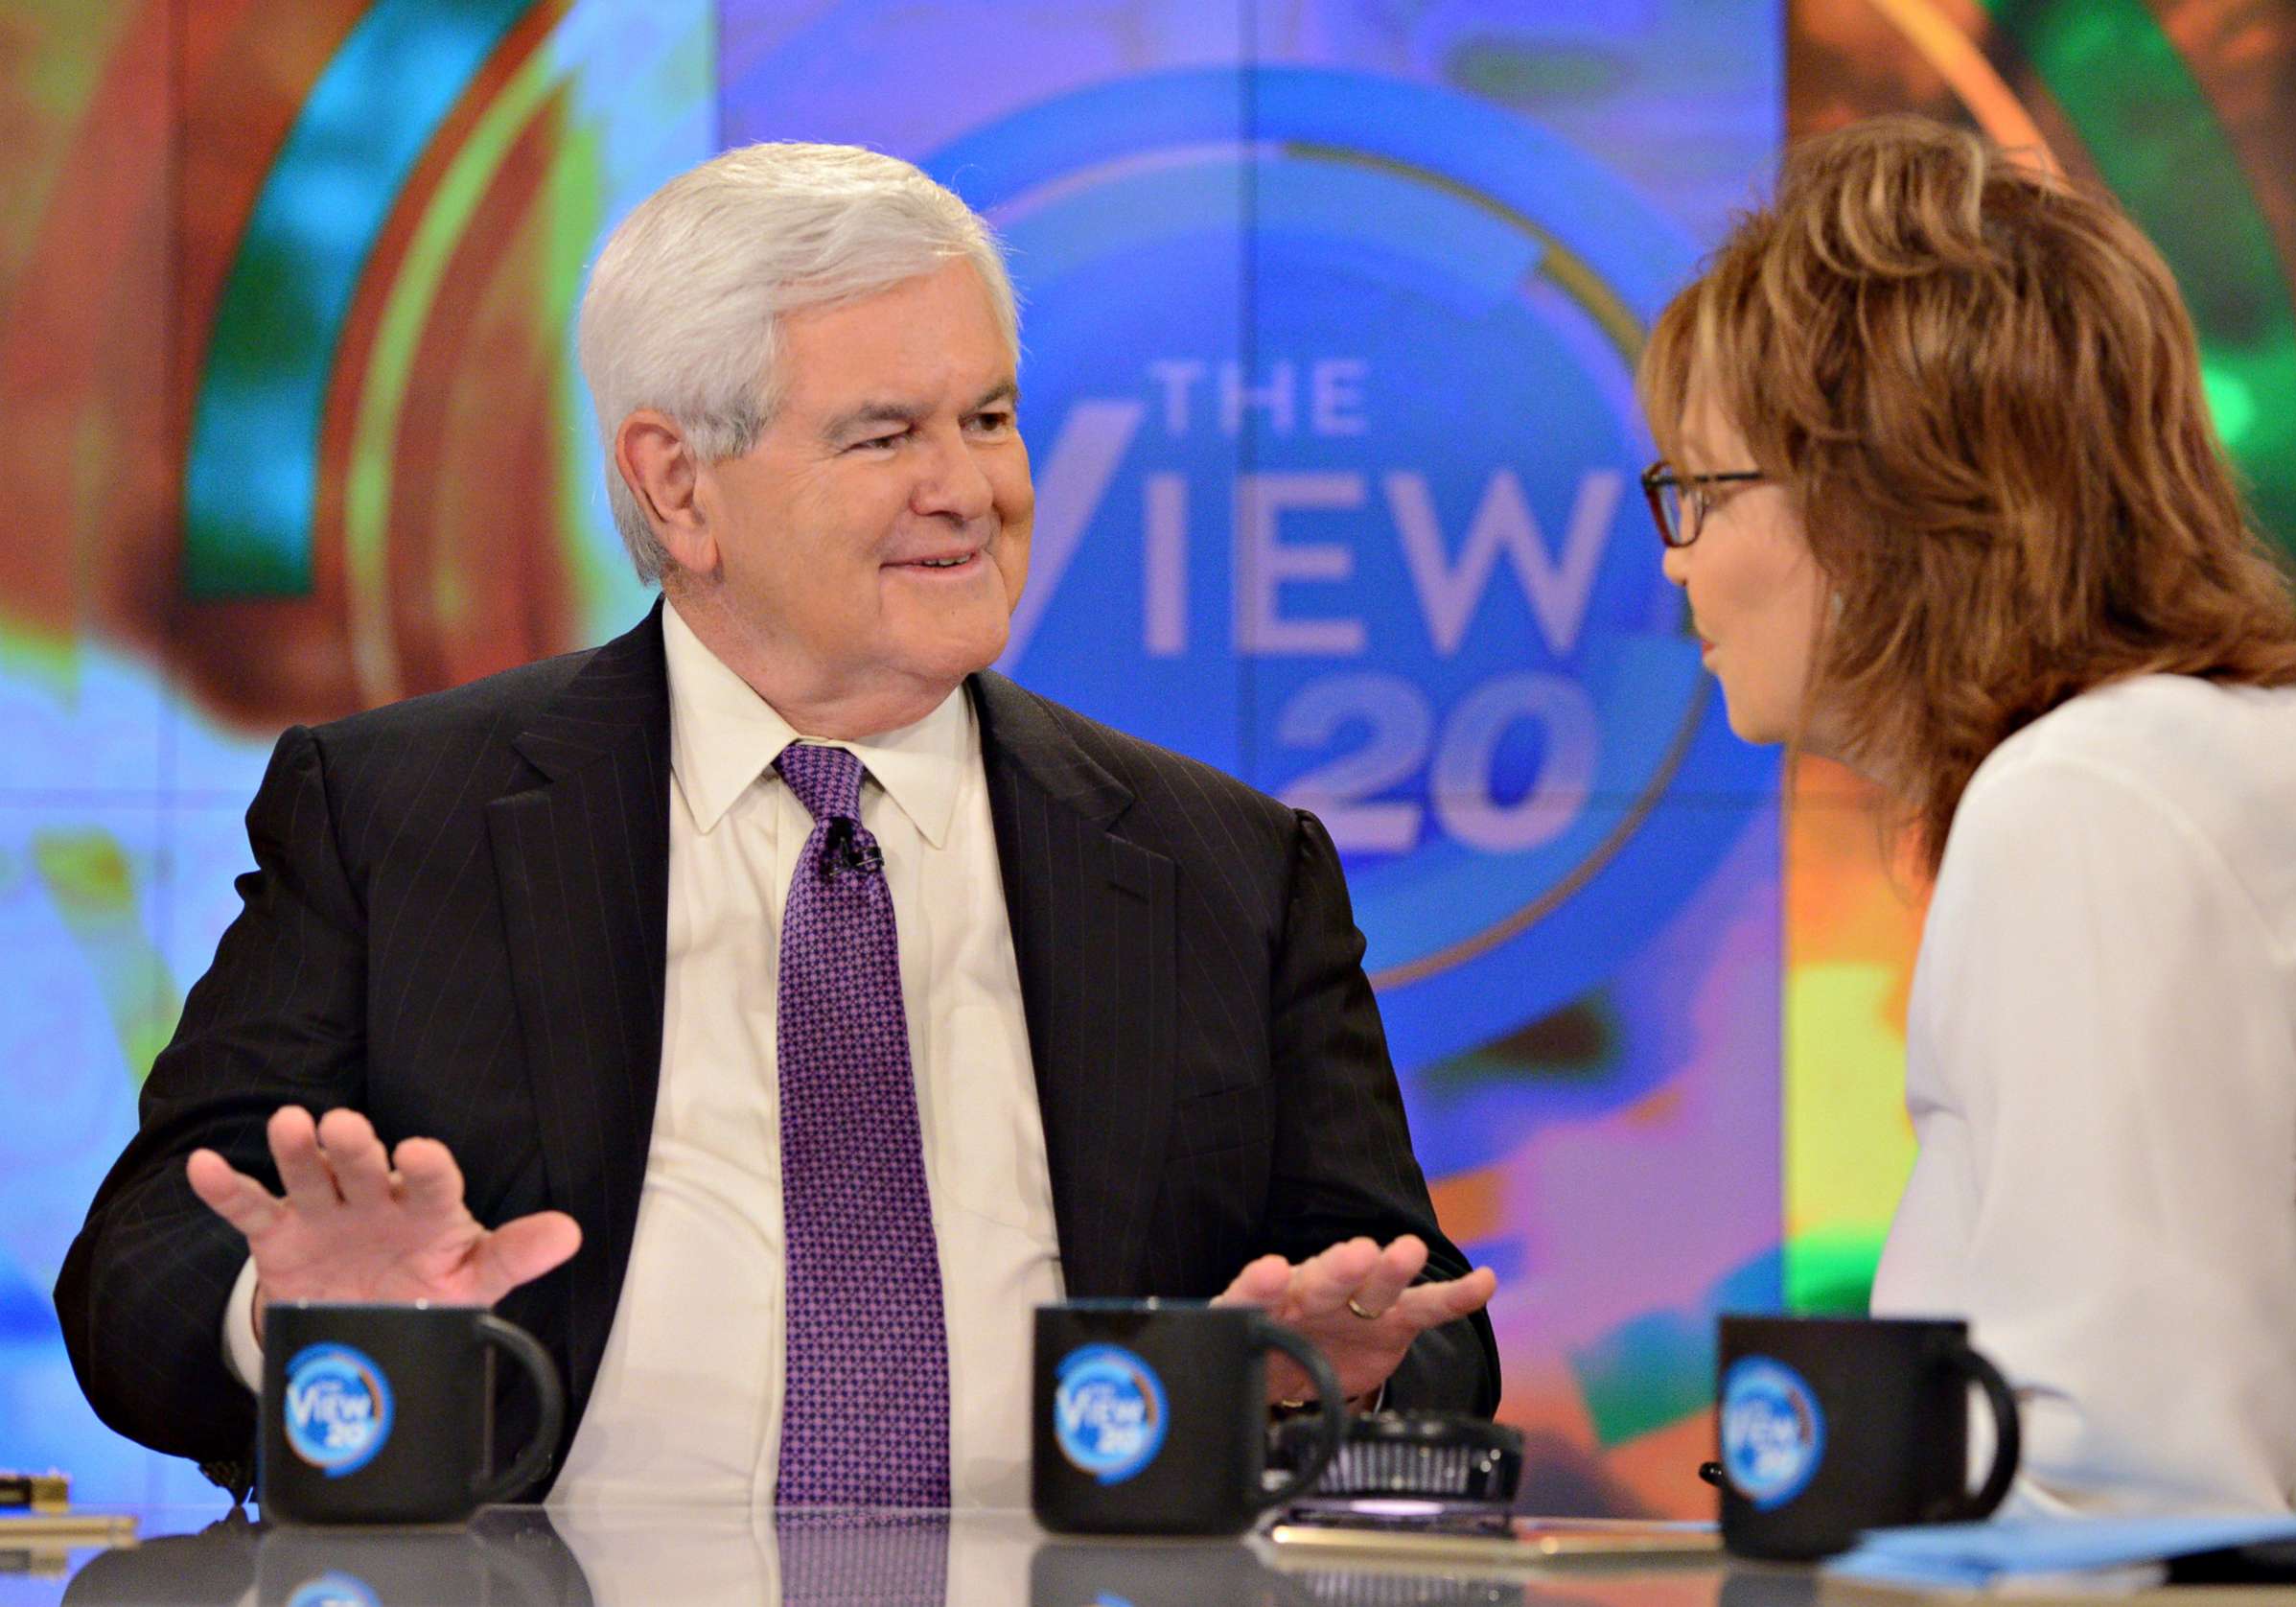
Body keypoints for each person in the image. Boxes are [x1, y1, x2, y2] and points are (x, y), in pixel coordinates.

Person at [55, 143, 1496, 1508]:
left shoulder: (1223, 866)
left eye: (988, 418)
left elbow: (1425, 1320)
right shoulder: (396, 817)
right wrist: (300, 1314)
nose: (971, 491)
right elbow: (141, 1266)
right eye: (886, 435)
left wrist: (1314, 1374)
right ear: (679, 486)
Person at [1641, 116, 2296, 1515]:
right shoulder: (2175, 767)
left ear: (1878, 497)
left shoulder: (2093, 800)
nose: (1679, 563)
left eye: (1704, 492)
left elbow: (2128, 1488)